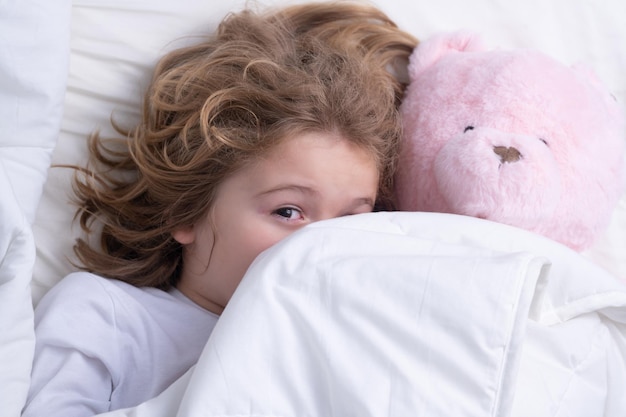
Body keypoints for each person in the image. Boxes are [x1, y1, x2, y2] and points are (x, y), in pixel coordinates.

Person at [22, 1, 418, 416]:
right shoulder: (106, 316)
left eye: (350, 221)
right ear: (186, 211)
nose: (320, 246)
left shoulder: (354, 342)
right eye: (287, 211)